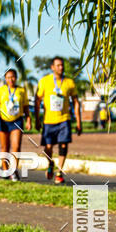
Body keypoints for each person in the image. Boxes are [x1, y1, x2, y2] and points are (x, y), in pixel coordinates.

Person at [35, 56, 82, 184]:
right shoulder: (44, 81)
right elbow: (37, 100)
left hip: (64, 119)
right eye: (58, 65)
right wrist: (37, 120)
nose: (61, 67)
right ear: (52, 67)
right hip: (49, 121)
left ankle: (59, 172)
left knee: (63, 145)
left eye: (62, 65)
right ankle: (50, 163)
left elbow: (76, 101)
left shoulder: (69, 83)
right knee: (48, 147)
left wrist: (78, 121)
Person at [0, 68, 31, 181]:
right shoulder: (1, 90)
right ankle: (5, 170)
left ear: (16, 78)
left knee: (16, 146)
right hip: (3, 121)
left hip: (17, 121)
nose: (11, 79)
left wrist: (29, 119)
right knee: (5, 147)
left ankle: (13, 171)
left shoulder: (21, 91)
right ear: (5, 79)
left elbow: (26, 107)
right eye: (8, 77)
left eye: (13, 77)